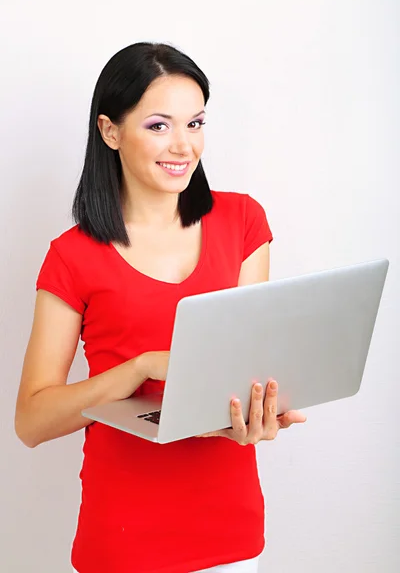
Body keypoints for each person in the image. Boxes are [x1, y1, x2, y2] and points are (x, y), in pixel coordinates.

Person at [15, 42, 307, 573]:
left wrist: (263, 411)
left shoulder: (242, 224)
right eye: (158, 125)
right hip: (124, 536)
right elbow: (32, 421)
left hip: (230, 532)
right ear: (110, 132)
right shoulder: (71, 257)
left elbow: (246, 372)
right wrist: (141, 367)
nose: (183, 145)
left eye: (195, 123)